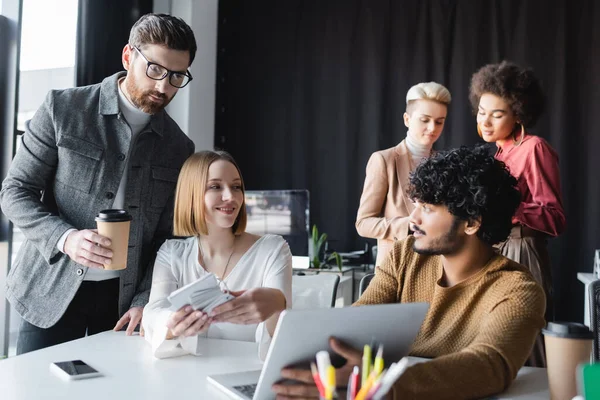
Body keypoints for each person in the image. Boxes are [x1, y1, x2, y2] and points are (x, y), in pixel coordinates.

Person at [273, 146, 546, 400]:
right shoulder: (405, 255)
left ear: (472, 223)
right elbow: (354, 324)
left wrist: (383, 386)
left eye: (427, 208)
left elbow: (491, 364)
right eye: (416, 205)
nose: (412, 219)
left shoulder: (518, 290)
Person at [0, 13, 197, 354]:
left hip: (122, 306)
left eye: (177, 75)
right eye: (155, 69)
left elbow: (168, 237)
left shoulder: (179, 148)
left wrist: (146, 299)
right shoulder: (62, 109)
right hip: (49, 292)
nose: (164, 86)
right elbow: (15, 192)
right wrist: (65, 238)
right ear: (127, 57)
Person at [142, 151, 292, 360]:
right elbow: (152, 313)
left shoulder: (272, 249)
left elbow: (281, 338)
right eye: (215, 186)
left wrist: (278, 304)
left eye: (236, 186)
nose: (231, 197)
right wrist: (172, 323)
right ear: (191, 194)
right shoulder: (172, 253)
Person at [470, 61, 566, 366]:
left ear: (518, 115)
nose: (486, 122)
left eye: (497, 115)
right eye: (482, 112)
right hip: (495, 251)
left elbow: (554, 217)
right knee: (497, 342)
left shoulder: (534, 148)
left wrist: (506, 207)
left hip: (523, 250)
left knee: (526, 341)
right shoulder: (498, 153)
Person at [356, 82, 451, 266]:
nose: (432, 128)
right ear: (407, 119)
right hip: (395, 266)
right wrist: (408, 224)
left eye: (439, 121)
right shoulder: (384, 160)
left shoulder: (445, 163)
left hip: (437, 267)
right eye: (425, 120)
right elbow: (363, 223)